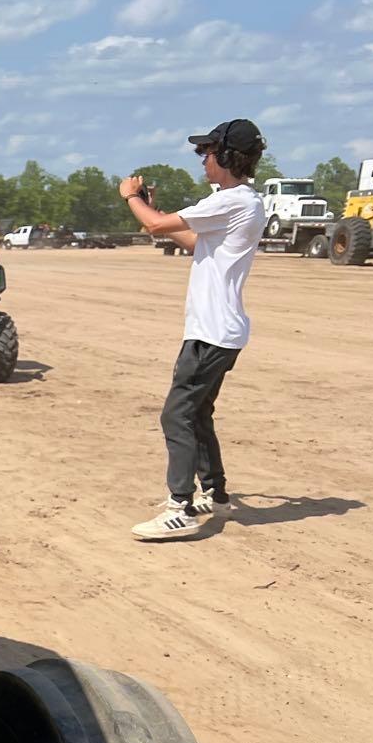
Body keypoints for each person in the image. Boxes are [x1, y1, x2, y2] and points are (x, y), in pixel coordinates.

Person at [117, 119, 266, 541]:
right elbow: (190, 241)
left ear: (224, 156)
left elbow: (156, 226)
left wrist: (132, 199)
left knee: (176, 414)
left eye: (207, 152)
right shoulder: (238, 202)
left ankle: (178, 507)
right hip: (219, 330)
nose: (203, 160)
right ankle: (216, 495)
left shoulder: (234, 201)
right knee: (198, 412)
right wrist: (151, 208)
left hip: (212, 332)